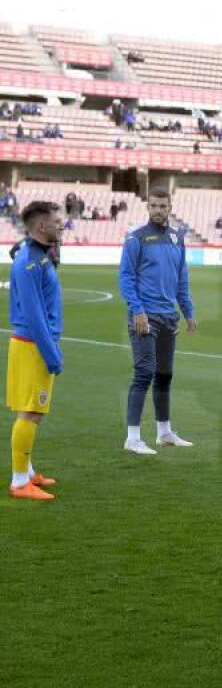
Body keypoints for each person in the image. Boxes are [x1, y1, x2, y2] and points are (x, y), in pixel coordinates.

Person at [118, 188, 196, 455]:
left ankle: (164, 432)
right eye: (154, 206)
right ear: (147, 208)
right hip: (144, 316)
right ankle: (133, 438)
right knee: (144, 373)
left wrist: (188, 311)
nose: (158, 210)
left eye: (163, 206)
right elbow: (126, 278)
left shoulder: (177, 238)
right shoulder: (136, 239)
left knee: (165, 375)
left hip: (168, 316)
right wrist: (137, 310)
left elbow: (181, 279)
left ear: (170, 206)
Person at [7, 202, 65, 501]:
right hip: (33, 345)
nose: (62, 225)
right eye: (57, 221)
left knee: (30, 411)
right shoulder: (29, 262)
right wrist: (52, 354)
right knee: (30, 412)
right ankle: (19, 482)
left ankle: (27, 472)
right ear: (41, 226)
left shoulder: (37, 255)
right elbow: (33, 315)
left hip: (32, 344)